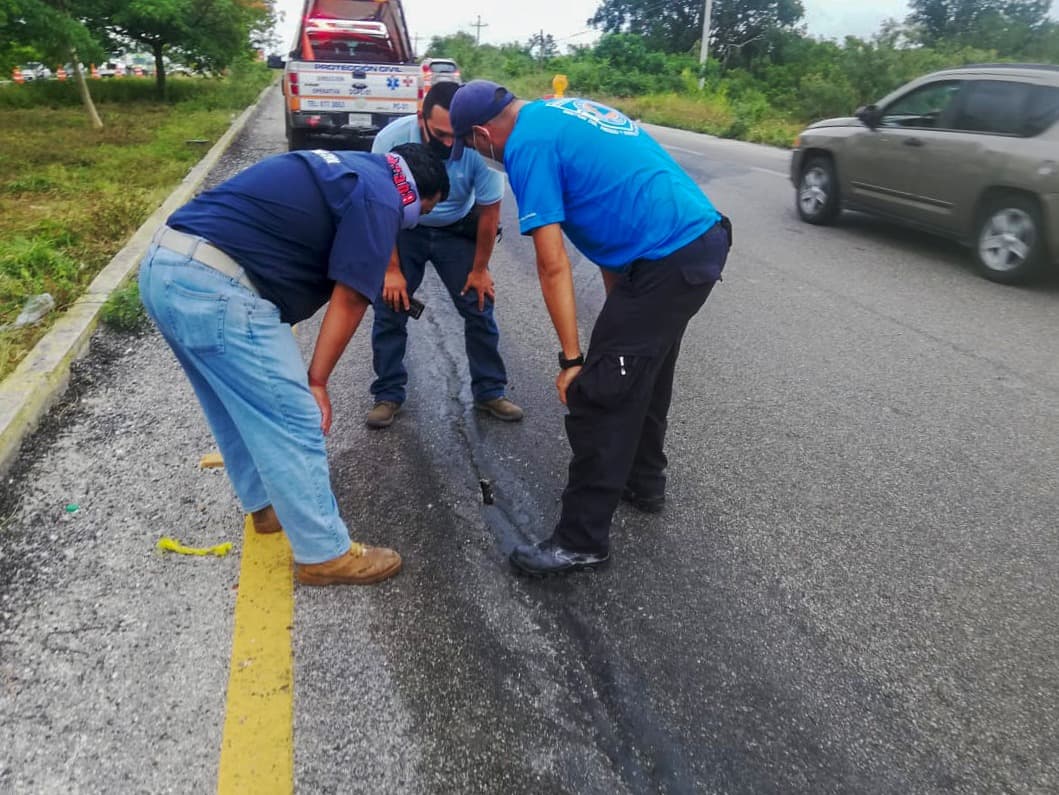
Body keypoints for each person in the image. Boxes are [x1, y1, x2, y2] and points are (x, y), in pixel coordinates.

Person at [449, 81, 732, 576]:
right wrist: (616, 321)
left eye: (473, 147)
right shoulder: (562, 110)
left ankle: (581, 541)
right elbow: (610, 235)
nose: (483, 156)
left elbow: (551, 263)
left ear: (481, 134)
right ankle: (644, 483)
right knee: (642, 371)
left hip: (667, 256)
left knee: (598, 394)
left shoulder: (527, 145)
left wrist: (572, 359)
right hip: (695, 242)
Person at [138, 144, 449, 586]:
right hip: (218, 287)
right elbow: (352, 298)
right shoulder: (384, 198)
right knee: (295, 417)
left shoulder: (348, 168)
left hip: (164, 268)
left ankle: (267, 508)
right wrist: (317, 381)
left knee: (233, 408)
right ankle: (324, 554)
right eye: (424, 212)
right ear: (419, 194)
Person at [366, 81, 523, 429]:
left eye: (456, 135)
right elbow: (378, 207)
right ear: (420, 118)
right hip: (403, 228)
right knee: (389, 307)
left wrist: (480, 270)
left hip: (456, 229)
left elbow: (490, 212)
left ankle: (489, 392)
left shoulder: (476, 145)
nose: (450, 144)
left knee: (479, 305)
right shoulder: (391, 140)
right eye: (440, 134)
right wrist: (391, 270)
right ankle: (388, 394)